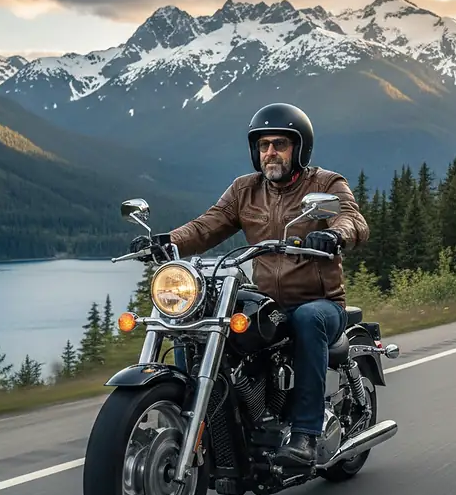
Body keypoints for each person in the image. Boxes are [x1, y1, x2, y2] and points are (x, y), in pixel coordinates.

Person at [132, 103, 369, 469]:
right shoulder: (245, 190)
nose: (270, 152)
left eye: (279, 144)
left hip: (321, 303)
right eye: (263, 145)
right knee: (196, 326)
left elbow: (352, 218)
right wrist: (168, 242)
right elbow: (207, 225)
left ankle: (305, 434)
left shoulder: (326, 183)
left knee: (307, 319)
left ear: (299, 148)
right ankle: (206, 424)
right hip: (267, 303)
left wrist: (336, 234)